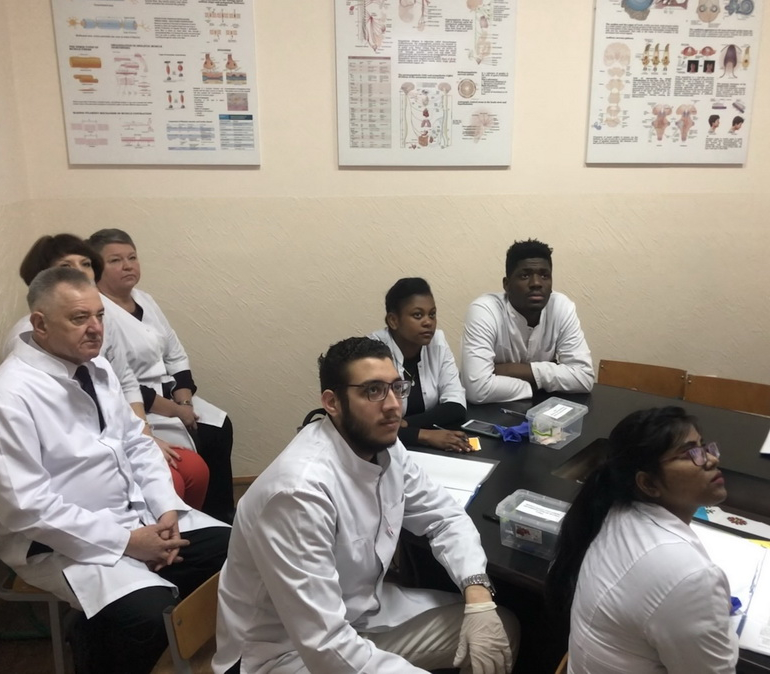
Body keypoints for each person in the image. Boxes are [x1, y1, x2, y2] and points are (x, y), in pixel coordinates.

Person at [214, 337, 518, 674]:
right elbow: (327, 646)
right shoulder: (298, 493)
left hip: (359, 616)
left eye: (397, 388)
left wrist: (477, 593)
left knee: (496, 630)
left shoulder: (384, 446)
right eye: (373, 391)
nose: (393, 406)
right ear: (332, 402)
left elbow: (444, 517)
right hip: (285, 654)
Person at [0, 267, 230, 674]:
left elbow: (136, 441)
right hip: (60, 543)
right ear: (40, 324)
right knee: (148, 616)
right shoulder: (7, 396)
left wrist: (165, 510)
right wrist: (127, 542)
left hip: (137, 518)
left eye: (99, 315)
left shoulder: (96, 368)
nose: (96, 328)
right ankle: (100, 640)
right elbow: (26, 509)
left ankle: (105, 626)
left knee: (233, 550)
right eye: (79, 318)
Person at [5, 233, 209, 510]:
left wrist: (145, 437)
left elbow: (125, 381)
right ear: (42, 276)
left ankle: (181, 527)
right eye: (66, 266)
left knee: (195, 469)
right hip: (84, 458)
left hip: (121, 430)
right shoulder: (29, 345)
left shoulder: (101, 325)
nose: (80, 272)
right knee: (171, 480)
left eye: (86, 264)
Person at [545, 406, 736, 674]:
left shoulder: (615, 510)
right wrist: (719, 616)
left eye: (704, 447)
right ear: (648, 484)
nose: (711, 459)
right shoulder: (690, 576)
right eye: (689, 453)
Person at [87, 228, 235, 522]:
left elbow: (175, 354)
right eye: (115, 260)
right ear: (96, 268)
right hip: (139, 407)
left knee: (220, 427)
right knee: (192, 447)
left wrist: (185, 401)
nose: (128, 266)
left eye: (132, 257)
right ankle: (194, 519)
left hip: (171, 395)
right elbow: (117, 382)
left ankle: (221, 515)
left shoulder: (145, 300)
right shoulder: (98, 312)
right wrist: (176, 411)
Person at [461, 238, 595, 404]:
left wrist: (510, 370)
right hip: (491, 413)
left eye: (544, 275)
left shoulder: (561, 307)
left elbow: (584, 378)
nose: (536, 283)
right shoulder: (485, 311)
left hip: (544, 413)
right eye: (525, 275)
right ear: (506, 284)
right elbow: (477, 390)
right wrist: (538, 384)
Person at [370, 277, 471, 452]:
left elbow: (456, 406)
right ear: (393, 320)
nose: (428, 322)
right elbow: (372, 425)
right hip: (380, 451)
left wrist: (406, 423)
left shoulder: (437, 342)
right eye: (418, 315)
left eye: (432, 314)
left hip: (418, 448)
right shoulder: (373, 352)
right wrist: (424, 435)